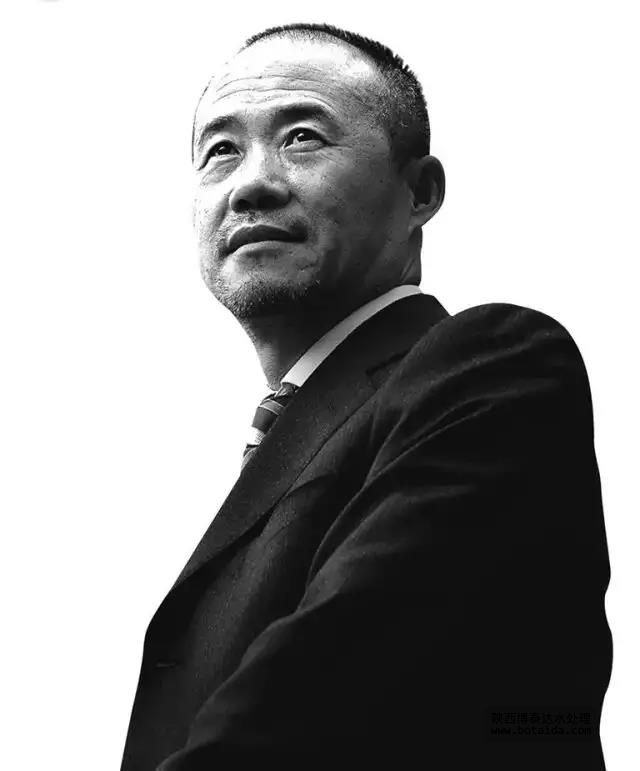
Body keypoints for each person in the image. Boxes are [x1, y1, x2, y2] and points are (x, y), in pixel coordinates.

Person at [120, 23, 612, 770]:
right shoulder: (290, 441)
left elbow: (326, 698)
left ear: (420, 192)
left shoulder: (491, 366)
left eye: (303, 138)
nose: (252, 182)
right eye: (220, 149)